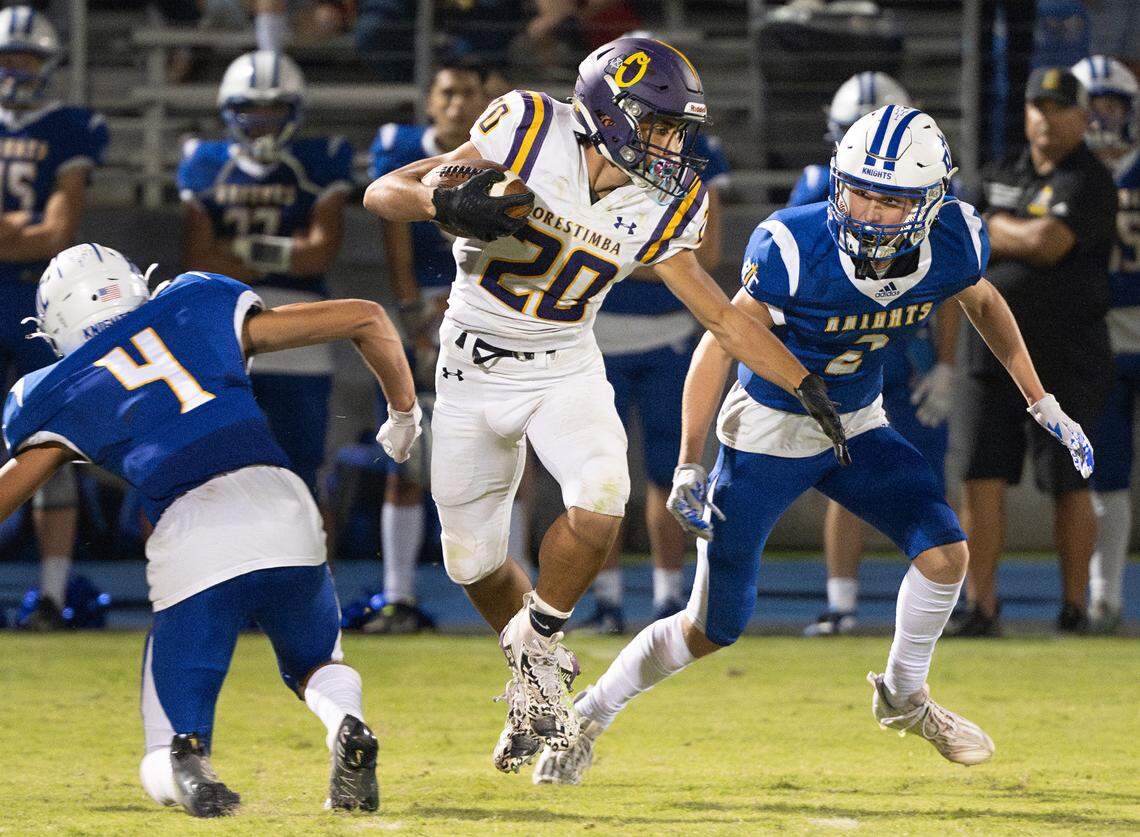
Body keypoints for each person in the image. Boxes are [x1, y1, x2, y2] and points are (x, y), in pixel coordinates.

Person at [531, 104, 1096, 785]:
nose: (868, 209)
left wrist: (1039, 398)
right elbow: (719, 344)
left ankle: (904, 694)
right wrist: (688, 458)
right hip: (768, 433)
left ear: (930, 202)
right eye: (858, 188)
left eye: (892, 199)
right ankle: (589, 713)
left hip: (856, 424)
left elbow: (982, 299)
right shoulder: (795, 245)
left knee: (946, 553)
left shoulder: (956, 237)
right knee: (711, 627)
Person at [363, 36, 848, 773]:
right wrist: (443, 198)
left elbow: (719, 315)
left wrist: (802, 380)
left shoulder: (671, 197)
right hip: (471, 365)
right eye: (656, 123)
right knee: (472, 562)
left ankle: (542, 648)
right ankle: (534, 679)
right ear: (608, 110)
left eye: (676, 129)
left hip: (565, 363)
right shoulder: (525, 128)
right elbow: (382, 192)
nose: (669, 142)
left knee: (602, 498)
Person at [0, 243, 421, 816]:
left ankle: (188, 764)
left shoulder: (52, 389)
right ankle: (348, 723)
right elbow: (367, 316)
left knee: (164, 744)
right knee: (318, 661)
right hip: (283, 499)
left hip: (193, 523)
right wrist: (403, 415)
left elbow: (11, 489)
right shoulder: (195, 301)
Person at [788, 71, 961, 636]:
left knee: (925, 477)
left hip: (905, 346)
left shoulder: (937, 197)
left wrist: (947, 362)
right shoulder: (820, 187)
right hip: (842, 350)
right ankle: (842, 602)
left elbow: (958, 287)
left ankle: (944, 599)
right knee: (850, 473)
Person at [951, 67, 1116, 636]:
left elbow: (1048, 245)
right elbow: (958, 239)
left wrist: (995, 227)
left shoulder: (1093, 179)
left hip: (1064, 356)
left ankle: (1074, 606)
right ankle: (982, 605)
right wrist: (1008, 230)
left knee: (1069, 480)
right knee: (980, 475)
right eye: (1037, 107)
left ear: (1082, 115)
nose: (1047, 117)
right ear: (1025, 113)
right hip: (988, 353)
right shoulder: (999, 171)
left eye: (1059, 107)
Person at [179, 51, 352, 496]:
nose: (262, 121)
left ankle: (316, 566)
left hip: (301, 327)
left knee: (303, 469)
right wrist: (284, 252)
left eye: (273, 109)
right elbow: (197, 257)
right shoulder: (205, 161)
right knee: (220, 467)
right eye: (250, 110)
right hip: (224, 326)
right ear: (228, 111)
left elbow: (318, 257)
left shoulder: (319, 159)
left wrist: (235, 250)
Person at [584, 114, 731, 634]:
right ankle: (606, 598)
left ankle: (669, 596)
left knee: (668, 472)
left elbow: (705, 253)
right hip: (592, 338)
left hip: (668, 335)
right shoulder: (588, 147)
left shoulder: (696, 151)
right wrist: (657, 255)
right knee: (597, 475)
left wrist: (616, 252)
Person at [363, 58, 492, 634]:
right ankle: (398, 593)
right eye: (448, 92)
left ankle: (513, 585)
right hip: (423, 314)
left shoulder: (505, 152)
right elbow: (393, 235)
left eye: (468, 91)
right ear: (430, 101)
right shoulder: (403, 151)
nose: (458, 103)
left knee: (509, 450)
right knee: (408, 452)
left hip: (492, 308)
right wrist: (416, 313)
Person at [0, 6, 108, 630]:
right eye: (6, 58)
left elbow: (55, 234)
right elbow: (33, 229)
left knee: (49, 445)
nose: (15, 72)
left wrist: (25, 233)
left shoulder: (70, 127)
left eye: (26, 59)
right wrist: (19, 229)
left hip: (38, 304)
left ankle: (50, 592)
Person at [1071, 55, 1139, 633]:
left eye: (1110, 105)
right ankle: (1105, 596)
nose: (1100, 117)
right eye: (1090, 105)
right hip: (1100, 338)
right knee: (1107, 475)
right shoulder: (1069, 176)